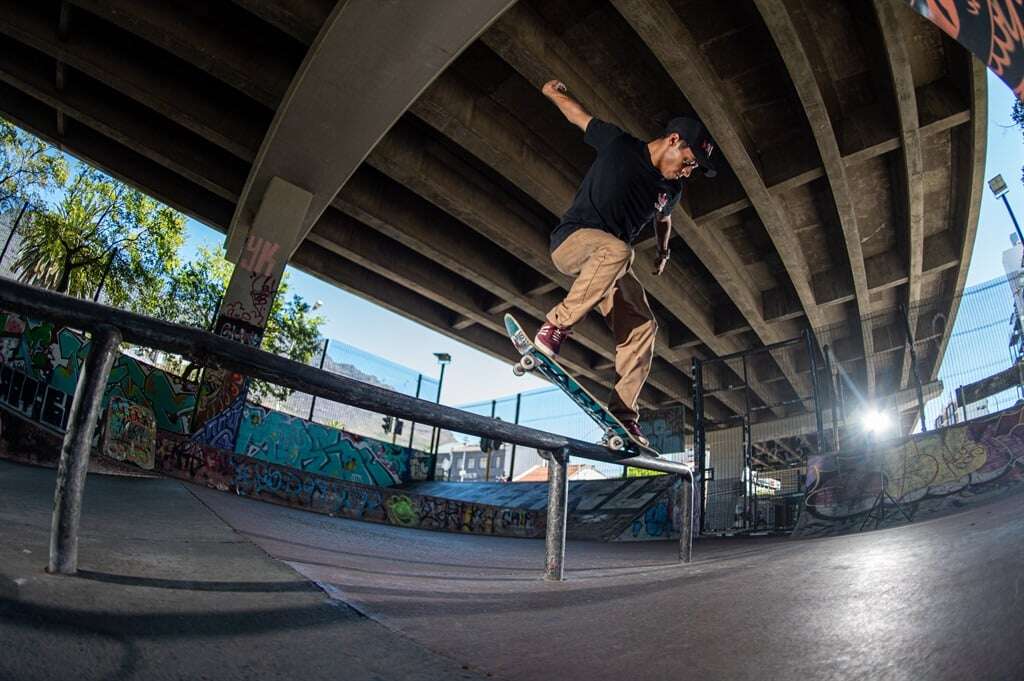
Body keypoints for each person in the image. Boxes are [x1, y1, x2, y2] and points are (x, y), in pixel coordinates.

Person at [534, 79, 717, 447]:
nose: (688, 171)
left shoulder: (671, 190)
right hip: (573, 242)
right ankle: (553, 328)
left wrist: (664, 251)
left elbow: (664, 218)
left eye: (693, 169)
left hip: (609, 264)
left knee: (644, 325)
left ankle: (622, 417)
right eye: (688, 162)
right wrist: (553, 93)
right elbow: (580, 118)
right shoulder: (620, 146)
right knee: (620, 250)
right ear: (673, 141)